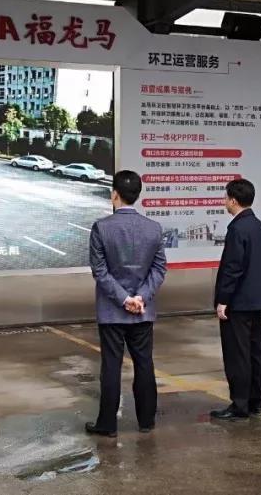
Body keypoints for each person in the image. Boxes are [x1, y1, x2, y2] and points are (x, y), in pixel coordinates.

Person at [86, 170, 168, 437]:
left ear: (114, 194)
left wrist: (124, 299)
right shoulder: (153, 228)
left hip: (112, 311)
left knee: (111, 366)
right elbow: (159, 268)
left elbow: (100, 271)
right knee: (144, 363)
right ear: (138, 195)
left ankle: (107, 425)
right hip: (142, 311)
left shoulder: (101, 228)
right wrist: (141, 297)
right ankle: (147, 421)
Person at [211, 179, 261, 421]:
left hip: (238, 301)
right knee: (256, 351)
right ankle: (256, 400)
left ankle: (239, 404)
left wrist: (223, 299)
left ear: (234, 200)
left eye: (226, 197)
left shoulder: (238, 228)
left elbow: (233, 267)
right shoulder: (259, 226)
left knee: (238, 354)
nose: (224, 201)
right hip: (257, 300)